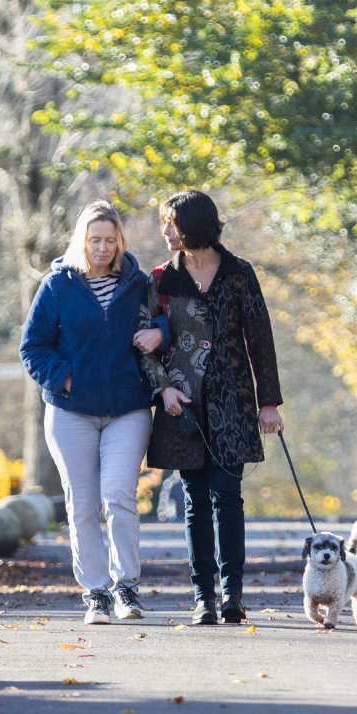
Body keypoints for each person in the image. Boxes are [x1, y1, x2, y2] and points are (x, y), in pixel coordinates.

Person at [134, 190, 284, 625]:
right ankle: (204, 598)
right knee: (194, 501)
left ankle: (233, 595)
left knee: (228, 497)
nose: (164, 231)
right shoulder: (161, 279)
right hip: (182, 404)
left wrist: (269, 402)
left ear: (193, 226)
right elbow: (143, 344)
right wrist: (162, 389)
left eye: (170, 224)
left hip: (233, 402)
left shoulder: (239, 274)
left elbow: (261, 338)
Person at [20, 201, 169, 625]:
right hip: (71, 412)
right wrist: (67, 380)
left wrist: (160, 334)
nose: (102, 247)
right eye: (94, 240)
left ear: (120, 240)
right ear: (82, 241)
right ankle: (96, 593)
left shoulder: (138, 284)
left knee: (119, 495)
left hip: (128, 409)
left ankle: (126, 589)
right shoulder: (57, 286)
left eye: (109, 239)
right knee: (82, 503)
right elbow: (33, 348)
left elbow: (168, 327)